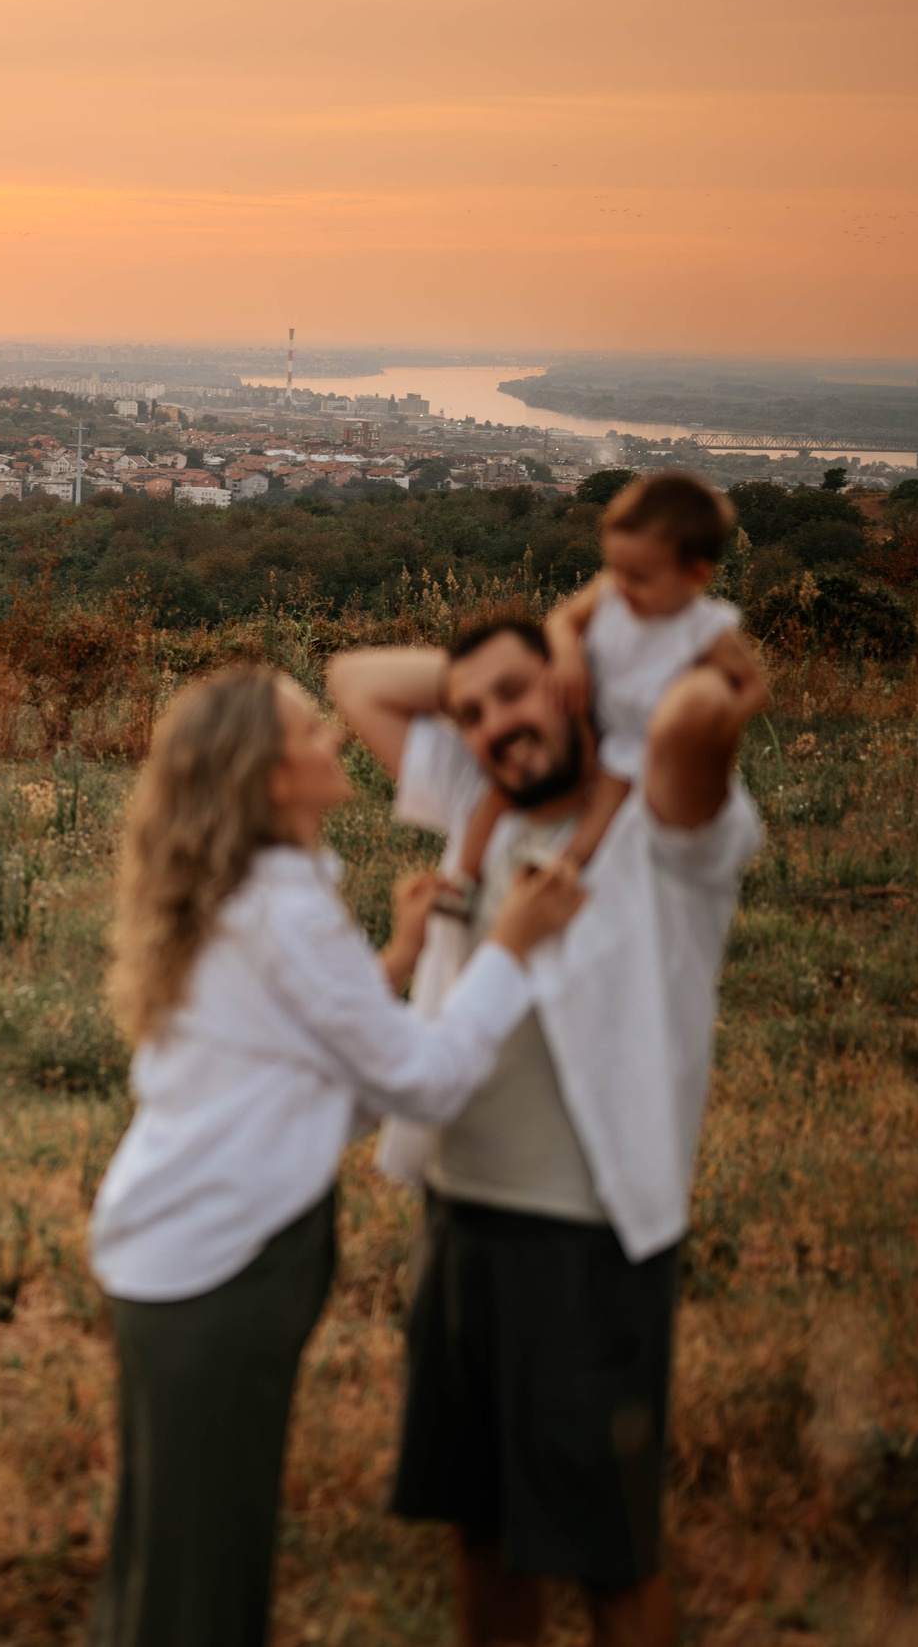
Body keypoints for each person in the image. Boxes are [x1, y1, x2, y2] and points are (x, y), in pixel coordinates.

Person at [85, 666, 586, 1647]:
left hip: (177, 1259)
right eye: (313, 730)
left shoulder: (252, 891)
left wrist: (394, 965)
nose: (335, 740)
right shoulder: (286, 910)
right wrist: (509, 950)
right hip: (215, 1271)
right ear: (271, 777)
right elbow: (426, 1083)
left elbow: (305, 1074)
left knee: (165, 1558)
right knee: (203, 1583)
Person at [328, 606, 767, 1647]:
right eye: (470, 711)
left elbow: (704, 705)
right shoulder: (475, 795)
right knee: (480, 1535)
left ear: (572, 689)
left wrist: (581, 649)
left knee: (607, 1553)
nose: (492, 724)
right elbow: (356, 678)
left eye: (516, 694)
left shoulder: (665, 828)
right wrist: (496, 690)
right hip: (459, 1215)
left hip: (585, 1236)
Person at [439, 471, 760, 910]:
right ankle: (464, 879)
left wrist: (702, 731)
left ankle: (561, 867)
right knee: (497, 794)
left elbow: (754, 689)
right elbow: (562, 620)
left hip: (632, 739)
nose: (623, 586)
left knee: (605, 808)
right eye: (616, 569)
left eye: (640, 577)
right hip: (578, 708)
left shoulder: (706, 629)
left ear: (695, 575)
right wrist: (568, 654)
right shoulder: (611, 591)